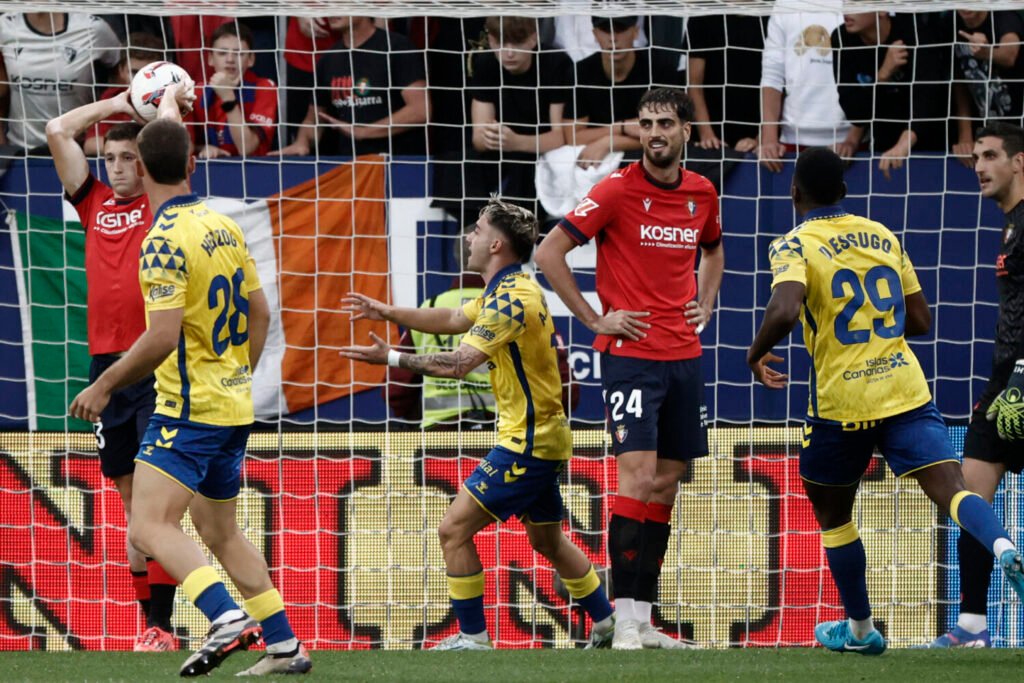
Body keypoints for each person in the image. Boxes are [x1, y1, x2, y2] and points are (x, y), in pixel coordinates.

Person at [746, 146, 1024, 655]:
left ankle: (861, 631)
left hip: (841, 403)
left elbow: (785, 309)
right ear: (846, 193)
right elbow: (920, 320)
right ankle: (1004, 545)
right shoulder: (882, 235)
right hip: (904, 391)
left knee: (834, 516)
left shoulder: (793, 243)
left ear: (795, 194)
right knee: (955, 491)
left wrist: (755, 353)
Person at [68, 116, 311, 677]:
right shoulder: (223, 225)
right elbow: (261, 313)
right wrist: (237, 378)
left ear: (145, 169)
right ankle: (285, 645)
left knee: (147, 527)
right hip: (232, 406)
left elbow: (160, 337)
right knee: (221, 532)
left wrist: (104, 385)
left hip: (187, 408)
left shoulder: (160, 241)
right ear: (193, 165)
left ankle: (225, 617)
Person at [340, 199, 616, 651]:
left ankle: (474, 637)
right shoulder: (508, 290)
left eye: (477, 228)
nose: (469, 235)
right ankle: (606, 622)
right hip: (541, 436)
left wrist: (388, 357)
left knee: (453, 530)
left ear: (495, 243)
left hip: (525, 442)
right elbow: (450, 319)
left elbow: (457, 363)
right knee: (546, 538)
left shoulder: (510, 300)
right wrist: (387, 312)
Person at [535, 87, 724, 650]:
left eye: (664, 122)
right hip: (632, 359)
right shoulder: (615, 190)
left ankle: (643, 619)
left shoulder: (701, 192)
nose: (653, 133)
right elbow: (549, 253)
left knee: (665, 486)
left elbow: (713, 250)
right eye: (645, 124)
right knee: (636, 478)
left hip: (683, 356)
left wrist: (706, 300)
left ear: (687, 130)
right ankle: (623, 622)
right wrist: (595, 320)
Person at [46, 81, 197, 652]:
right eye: (108, 158)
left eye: (127, 157)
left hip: (155, 362)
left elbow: (171, 141)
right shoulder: (91, 202)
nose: (115, 167)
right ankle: (155, 628)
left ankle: (166, 622)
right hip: (106, 366)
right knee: (134, 511)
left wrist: (160, 103)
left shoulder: (161, 203)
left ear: (147, 163)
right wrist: (114, 105)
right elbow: (57, 131)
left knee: (161, 507)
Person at [923, 122, 1024, 648]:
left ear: (1019, 162)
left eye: (989, 155)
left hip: (1023, 381)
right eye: (977, 156)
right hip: (1004, 382)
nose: (979, 166)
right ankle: (972, 625)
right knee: (969, 491)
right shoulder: (1010, 225)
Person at [465, 16, 573, 221]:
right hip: (502, 152)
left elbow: (562, 137)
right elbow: (478, 139)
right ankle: (473, 230)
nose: (509, 53)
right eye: (501, 44)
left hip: (545, 152)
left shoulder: (555, 62)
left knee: (526, 169)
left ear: (533, 39)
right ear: (491, 42)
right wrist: (493, 137)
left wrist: (516, 142)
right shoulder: (486, 64)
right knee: (461, 165)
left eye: (517, 43)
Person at [277, 16, 427, 157]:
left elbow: (420, 110)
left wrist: (362, 132)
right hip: (350, 168)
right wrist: (302, 141)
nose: (332, 10)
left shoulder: (397, 47)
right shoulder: (328, 59)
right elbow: (314, 120)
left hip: (401, 164)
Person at [831, 12, 949, 179]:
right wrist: (883, 75)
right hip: (883, 147)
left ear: (882, 9)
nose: (846, 11)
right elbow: (855, 112)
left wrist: (903, 145)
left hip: (932, 145)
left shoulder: (914, 31)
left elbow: (928, 97)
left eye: (856, 1)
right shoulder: (842, 38)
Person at [0, 12, 121, 154]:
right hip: (20, 150)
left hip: (77, 148)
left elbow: (120, 73)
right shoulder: (4, 26)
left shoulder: (94, 28)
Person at [571, 16, 683, 167]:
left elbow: (668, 133)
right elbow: (573, 138)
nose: (613, 38)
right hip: (595, 158)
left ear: (635, 32)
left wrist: (610, 142)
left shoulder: (659, 68)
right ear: (595, 34)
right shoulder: (580, 72)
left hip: (648, 156)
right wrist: (620, 127)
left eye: (620, 29)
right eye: (606, 30)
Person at [759, 0, 850, 171]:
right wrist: (769, 138)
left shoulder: (853, 5)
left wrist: (853, 139)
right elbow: (772, 75)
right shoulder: (784, 4)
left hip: (847, 143)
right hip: (793, 139)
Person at [192, 22, 277, 158]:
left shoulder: (264, 88)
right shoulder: (197, 91)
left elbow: (246, 148)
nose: (230, 59)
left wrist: (228, 98)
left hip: (255, 170)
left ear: (251, 59)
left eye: (238, 53)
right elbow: (182, 147)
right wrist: (203, 148)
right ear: (210, 59)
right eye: (222, 53)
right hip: (211, 169)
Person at [685, 14, 767, 153]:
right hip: (710, 138)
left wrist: (761, 138)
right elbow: (694, 85)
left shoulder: (770, 17)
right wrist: (707, 135)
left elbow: (778, 85)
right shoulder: (702, 16)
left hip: (757, 138)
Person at [83, 31, 165, 156]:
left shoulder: (172, 98)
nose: (141, 80)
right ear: (121, 71)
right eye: (134, 72)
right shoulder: (111, 98)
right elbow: (91, 145)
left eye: (149, 74)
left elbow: (186, 145)